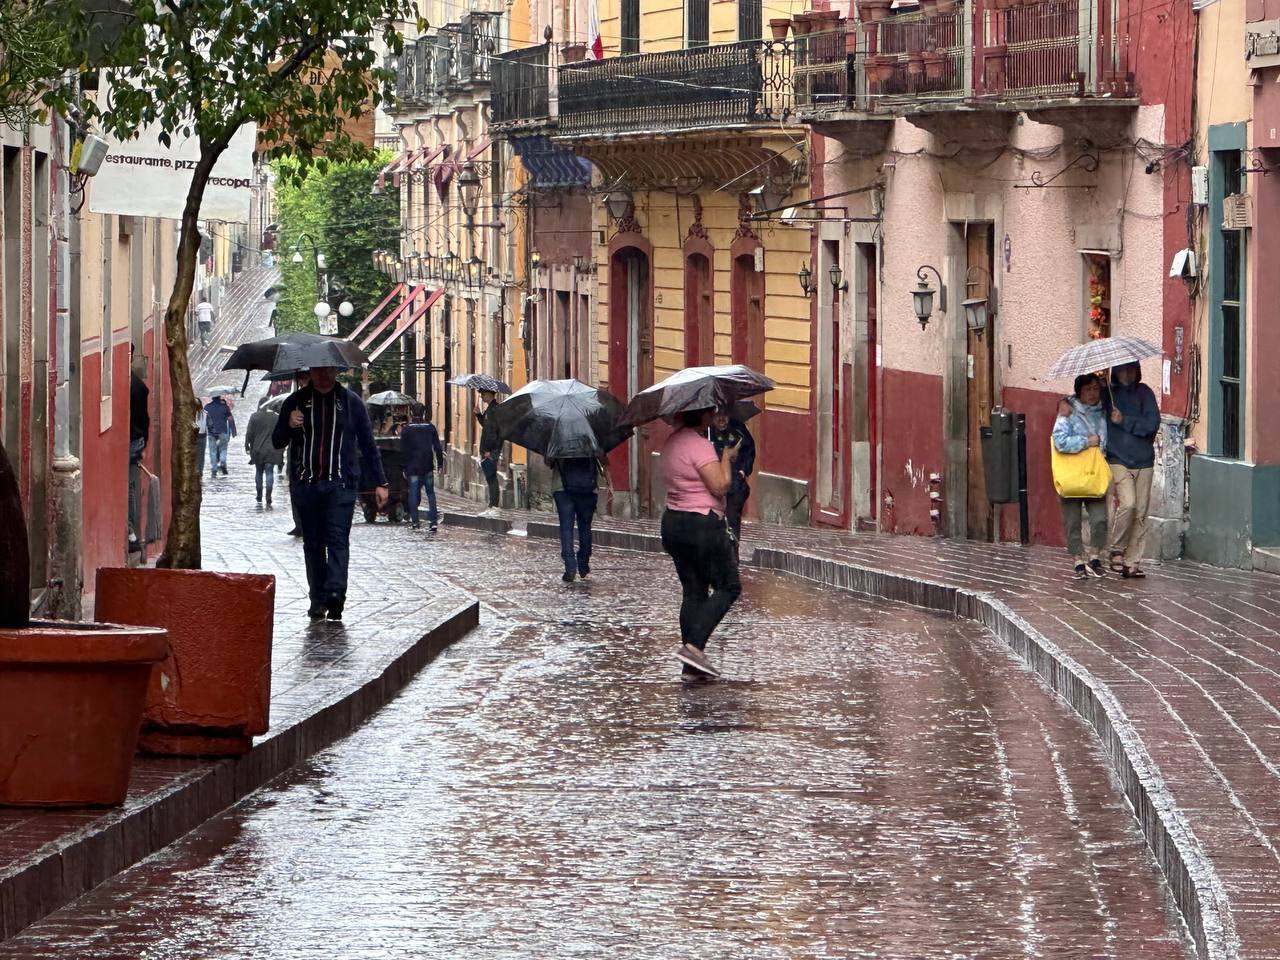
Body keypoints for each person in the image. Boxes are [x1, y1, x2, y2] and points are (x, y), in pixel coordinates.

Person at [272, 365, 389, 621]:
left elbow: (368, 444)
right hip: (307, 485)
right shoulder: (296, 402)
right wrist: (289, 424)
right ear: (310, 372)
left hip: (341, 484)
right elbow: (277, 441)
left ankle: (336, 594)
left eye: (328, 371)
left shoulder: (351, 403)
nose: (323, 376)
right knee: (313, 544)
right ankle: (317, 598)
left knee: (338, 539)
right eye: (318, 371)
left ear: (336, 371)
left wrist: (381, 482)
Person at [659, 407, 743, 678]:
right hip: (702, 525)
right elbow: (719, 486)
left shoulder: (671, 442)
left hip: (673, 522)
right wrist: (727, 459)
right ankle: (693, 647)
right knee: (728, 586)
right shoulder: (700, 445)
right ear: (703, 415)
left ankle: (691, 668)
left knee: (693, 591)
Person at [1052, 373, 1110, 580]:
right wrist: (1086, 442)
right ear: (1079, 392)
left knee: (1100, 519)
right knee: (1073, 521)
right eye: (1088, 390)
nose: (1093, 394)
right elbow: (1059, 441)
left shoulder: (1103, 411)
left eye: (1096, 389)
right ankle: (1078, 560)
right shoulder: (1068, 412)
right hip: (1072, 474)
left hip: (1094, 474)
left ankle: (1095, 557)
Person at [1105, 362, 1160, 579]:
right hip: (1117, 458)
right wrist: (1065, 404)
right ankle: (1116, 549)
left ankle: (1132, 562)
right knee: (1128, 503)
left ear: (1137, 371)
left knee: (1140, 512)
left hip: (1144, 460)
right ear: (1114, 372)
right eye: (1121, 369)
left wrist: (1124, 421)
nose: (1126, 374)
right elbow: (1083, 402)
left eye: (1130, 369)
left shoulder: (1144, 393)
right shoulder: (1107, 395)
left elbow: (1152, 424)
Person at [548, 455, 603, 583]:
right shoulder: (591, 437)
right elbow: (603, 458)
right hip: (588, 487)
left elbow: (549, 461)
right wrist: (609, 482)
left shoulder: (556, 439)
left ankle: (570, 567)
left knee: (566, 528)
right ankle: (583, 563)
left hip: (562, 487)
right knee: (585, 526)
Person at [710, 410, 755, 549]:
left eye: (725, 415)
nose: (722, 419)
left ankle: (732, 558)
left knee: (731, 522)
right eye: (718, 416)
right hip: (711, 484)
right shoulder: (705, 431)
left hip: (735, 485)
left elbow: (750, 451)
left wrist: (743, 471)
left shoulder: (738, 429)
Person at [400, 410, 445, 530]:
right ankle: (433, 522)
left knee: (413, 494)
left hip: (413, 467)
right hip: (427, 466)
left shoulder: (407, 429)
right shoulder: (430, 428)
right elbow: (437, 447)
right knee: (430, 494)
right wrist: (440, 464)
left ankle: (415, 522)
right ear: (424, 413)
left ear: (410, 412)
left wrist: (403, 467)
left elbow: (403, 450)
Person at [128, 362, 150, 555]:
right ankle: (132, 533)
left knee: (129, 486)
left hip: (131, 438)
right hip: (138, 438)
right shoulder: (139, 386)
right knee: (131, 486)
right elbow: (146, 419)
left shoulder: (129, 385)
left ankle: (130, 533)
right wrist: (145, 440)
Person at [245, 402, 284, 508]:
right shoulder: (276, 417)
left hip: (257, 450)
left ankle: (259, 495)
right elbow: (281, 433)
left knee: (258, 472)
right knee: (269, 472)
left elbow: (249, 433)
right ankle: (268, 495)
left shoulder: (254, 416)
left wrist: (247, 446)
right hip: (272, 450)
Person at [285, 370, 310, 537]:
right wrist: (290, 422)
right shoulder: (293, 402)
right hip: (296, 453)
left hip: (312, 455)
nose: (302, 383)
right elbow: (280, 437)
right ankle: (299, 523)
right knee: (295, 490)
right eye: (301, 379)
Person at [476, 389, 502, 509]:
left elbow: (492, 433)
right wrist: (479, 415)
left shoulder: (493, 410)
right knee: (490, 477)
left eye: (482, 394)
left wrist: (488, 450)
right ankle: (493, 502)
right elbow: (486, 426)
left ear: (489, 394)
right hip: (490, 450)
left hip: (490, 450)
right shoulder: (490, 409)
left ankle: (493, 503)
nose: (481, 396)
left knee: (491, 477)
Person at [204, 392, 236, 479]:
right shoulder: (224, 407)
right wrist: (233, 430)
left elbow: (204, 420)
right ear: (219, 397)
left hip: (211, 432)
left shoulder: (207, 407)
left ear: (212, 398)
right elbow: (230, 419)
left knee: (213, 451)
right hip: (223, 431)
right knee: (223, 449)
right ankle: (222, 461)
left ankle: (214, 469)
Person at [194, 396, 208, 475]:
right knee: (200, 456)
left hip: (199, 436)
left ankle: (198, 471)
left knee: (198, 455)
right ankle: (199, 471)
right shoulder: (205, 413)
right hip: (201, 436)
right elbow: (210, 425)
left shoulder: (205, 413)